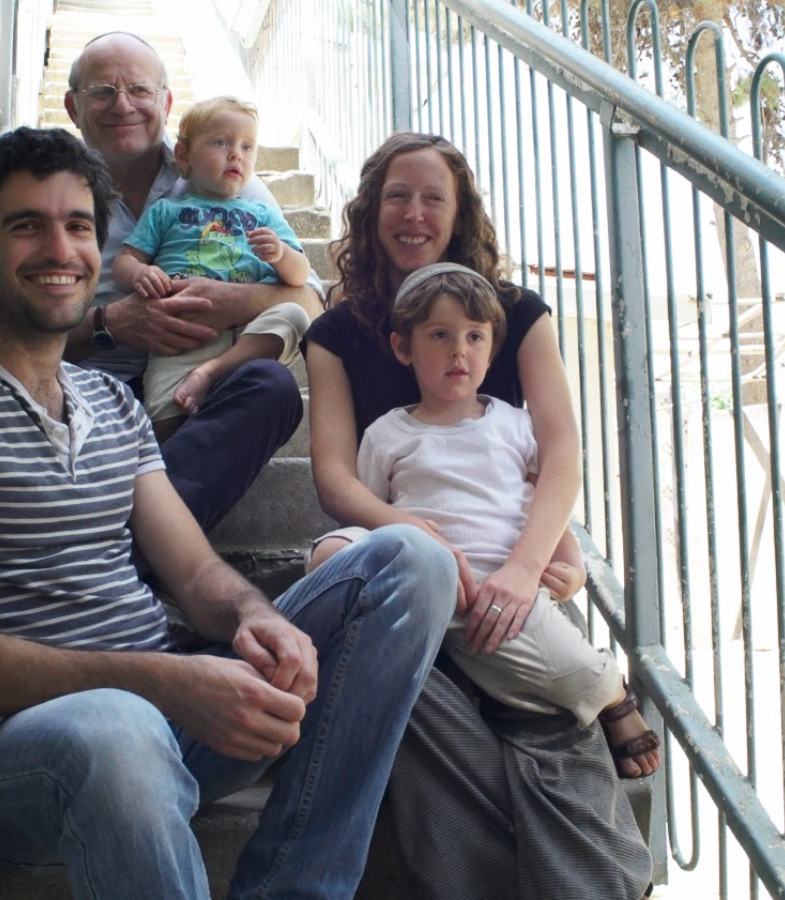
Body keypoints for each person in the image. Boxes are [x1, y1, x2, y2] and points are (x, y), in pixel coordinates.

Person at [0, 126, 456, 899]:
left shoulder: (110, 400)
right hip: (32, 757)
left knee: (413, 561)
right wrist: (165, 683)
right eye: (26, 226)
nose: (61, 248)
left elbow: (196, 571)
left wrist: (254, 617)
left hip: (177, 720)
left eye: (78, 226)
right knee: (117, 726)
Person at [303, 132, 655, 898]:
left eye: (434, 197)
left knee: (502, 665)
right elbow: (335, 476)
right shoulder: (334, 332)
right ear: (371, 210)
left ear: (460, 211)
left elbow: (554, 452)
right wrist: (405, 535)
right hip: (405, 541)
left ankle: (566, 736)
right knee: (349, 591)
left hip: (503, 560)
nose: (414, 213)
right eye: (397, 195)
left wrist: (532, 563)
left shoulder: (515, 313)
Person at [358, 262, 662, 778]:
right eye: (440, 335)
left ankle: (611, 694)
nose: (459, 350)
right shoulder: (388, 435)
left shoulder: (513, 424)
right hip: (428, 587)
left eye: (475, 336)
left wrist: (568, 563)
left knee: (572, 672)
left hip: (504, 592)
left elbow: (541, 494)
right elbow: (370, 516)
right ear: (403, 347)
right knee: (333, 553)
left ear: (492, 350)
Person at [61, 32, 324, 531]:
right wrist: (110, 323)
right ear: (73, 107)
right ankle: (148, 550)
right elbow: (6, 325)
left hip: (205, 371)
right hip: (91, 379)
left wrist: (232, 300)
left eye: (139, 90)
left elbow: (310, 305)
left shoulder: (230, 179)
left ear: (166, 101)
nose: (123, 105)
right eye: (102, 92)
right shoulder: (53, 184)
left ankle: (140, 544)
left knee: (271, 387)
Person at [114, 95, 311, 442]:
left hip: (248, 332)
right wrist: (140, 274)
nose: (236, 154)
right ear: (184, 156)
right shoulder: (167, 211)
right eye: (221, 142)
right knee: (163, 418)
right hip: (184, 331)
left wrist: (280, 254)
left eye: (247, 146)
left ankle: (212, 372)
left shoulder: (263, 214)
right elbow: (125, 260)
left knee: (294, 316)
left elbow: (298, 277)